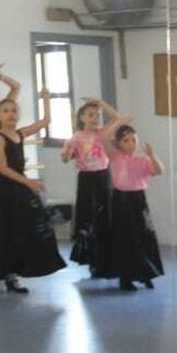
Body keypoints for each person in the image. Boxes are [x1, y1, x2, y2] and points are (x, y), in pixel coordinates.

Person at [0, 91, 63, 291]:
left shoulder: (20, 134)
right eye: (6, 111)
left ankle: (24, 267)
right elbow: (2, 169)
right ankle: (10, 274)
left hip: (19, 186)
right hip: (4, 189)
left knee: (30, 227)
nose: (11, 114)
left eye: (14, 111)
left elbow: (45, 120)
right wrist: (29, 182)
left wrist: (45, 98)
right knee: (10, 231)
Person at [62, 99, 125, 275]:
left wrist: (100, 103)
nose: (95, 117)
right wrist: (66, 153)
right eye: (91, 114)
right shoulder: (76, 137)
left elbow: (117, 117)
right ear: (82, 118)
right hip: (86, 179)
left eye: (97, 114)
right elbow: (67, 157)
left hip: (103, 176)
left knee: (106, 215)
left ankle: (108, 258)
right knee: (89, 217)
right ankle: (92, 259)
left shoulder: (103, 132)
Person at [104, 124, 165, 291]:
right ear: (118, 143)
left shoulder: (142, 160)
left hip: (138, 200)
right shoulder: (115, 157)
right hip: (121, 201)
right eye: (125, 140)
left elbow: (159, 170)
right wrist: (119, 122)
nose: (130, 144)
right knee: (125, 239)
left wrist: (152, 155)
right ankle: (126, 278)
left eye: (133, 140)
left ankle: (147, 274)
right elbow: (104, 138)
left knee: (144, 237)